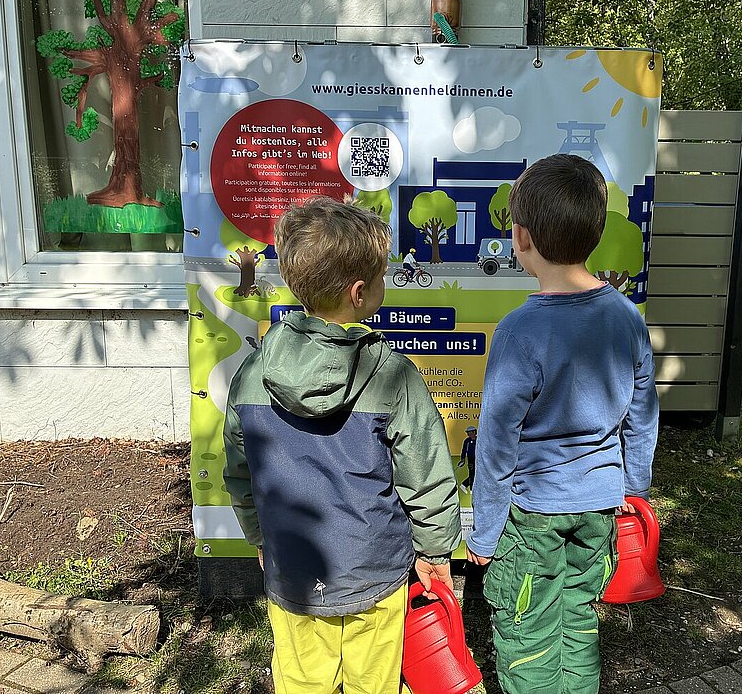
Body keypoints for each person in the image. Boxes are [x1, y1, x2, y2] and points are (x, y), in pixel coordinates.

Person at [223, 197, 462, 694]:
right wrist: (436, 549)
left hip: (293, 569)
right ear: (359, 292)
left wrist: (259, 536)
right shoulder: (393, 375)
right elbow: (426, 472)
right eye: (381, 276)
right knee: (373, 683)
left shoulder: (251, 373)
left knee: (301, 681)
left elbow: (240, 469)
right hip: (376, 573)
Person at [466, 154, 659, 694]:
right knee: (579, 624)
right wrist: (634, 488)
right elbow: (643, 413)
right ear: (595, 233)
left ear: (520, 237)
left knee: (528, 632)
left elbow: (498, 443)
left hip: (532, 515)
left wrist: (485, 531)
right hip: (600, 506)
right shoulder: (627, 317)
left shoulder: (518, 331)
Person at [458, 425, 477, 491]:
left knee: (477, 474)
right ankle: (471, 489)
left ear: (474, 432)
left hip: (478, 459)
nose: (469, 434)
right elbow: (464, 450)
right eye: (468, 433)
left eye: (470, 432)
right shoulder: (467, 441)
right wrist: (462, 459)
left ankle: (464, 485)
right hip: (471, 459)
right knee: (472, 474)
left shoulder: (479, 439)